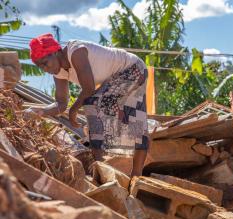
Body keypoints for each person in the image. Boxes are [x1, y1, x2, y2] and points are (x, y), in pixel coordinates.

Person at [26, 33, 149, 177]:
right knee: (128, 118)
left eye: (45, 63)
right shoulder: (58, 72)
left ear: (55, 52)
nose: (45, 69)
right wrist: (39, 111)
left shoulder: (76, 52)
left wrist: (74, 111)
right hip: (115, 78)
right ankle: (108, 168)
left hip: (133, 68)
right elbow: (61, 104)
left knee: (98, 105)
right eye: (40, 67)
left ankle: (114, 168)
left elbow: (89, 88)